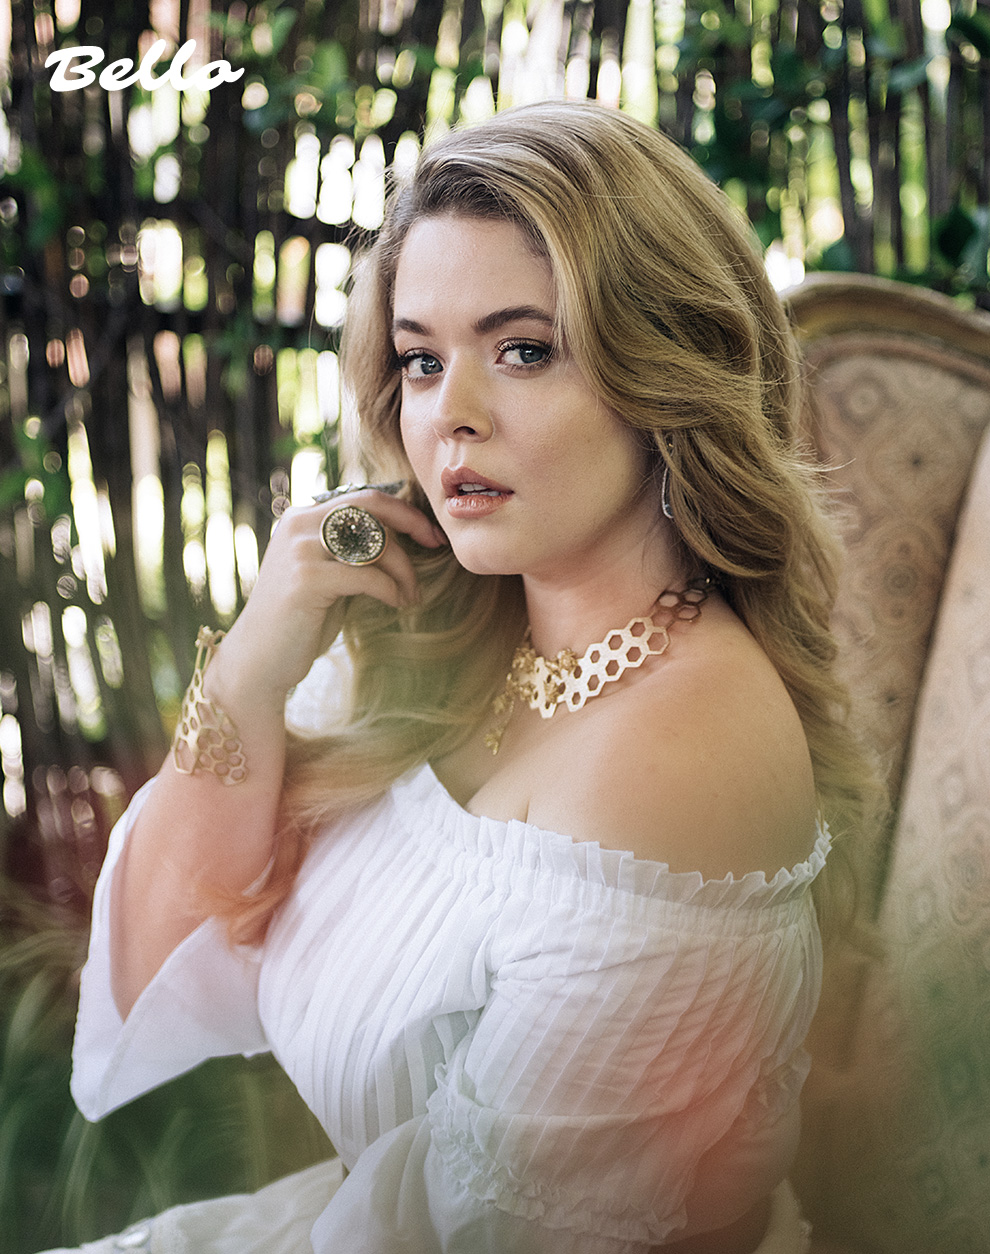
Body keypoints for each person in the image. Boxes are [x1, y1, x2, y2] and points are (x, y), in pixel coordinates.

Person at [55, 99, 869, 1254]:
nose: (451, 417)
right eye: (422, 360)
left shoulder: (675, 761)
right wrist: (254, 657)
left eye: (523, 349)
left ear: (667, 374)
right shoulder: (449, 636)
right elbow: (178, 913)